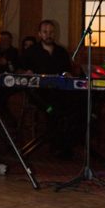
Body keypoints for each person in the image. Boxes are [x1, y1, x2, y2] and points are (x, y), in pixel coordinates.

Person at [19, 19, 79, 158]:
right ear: (40, 34)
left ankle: (64, 146)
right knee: (53, 110)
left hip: (60, 91)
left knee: (74, 107)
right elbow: (20, 69)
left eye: (51, 32)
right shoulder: (32, 52)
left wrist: (67, 74)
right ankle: (57, 145)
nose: (49, 35)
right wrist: (26, 72)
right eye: (45, 32)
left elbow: (67, 71)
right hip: (39, 93)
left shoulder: (61, 52)